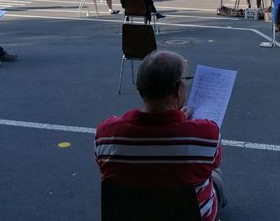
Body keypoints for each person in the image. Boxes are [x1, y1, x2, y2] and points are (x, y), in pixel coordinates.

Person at [95, 51, 227, 221]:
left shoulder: (105, 133)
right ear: (178, 90)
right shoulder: (206, 134)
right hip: (190, 215)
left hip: (130, 214)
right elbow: (214, 163)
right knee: (215, 175)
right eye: (187, 79)